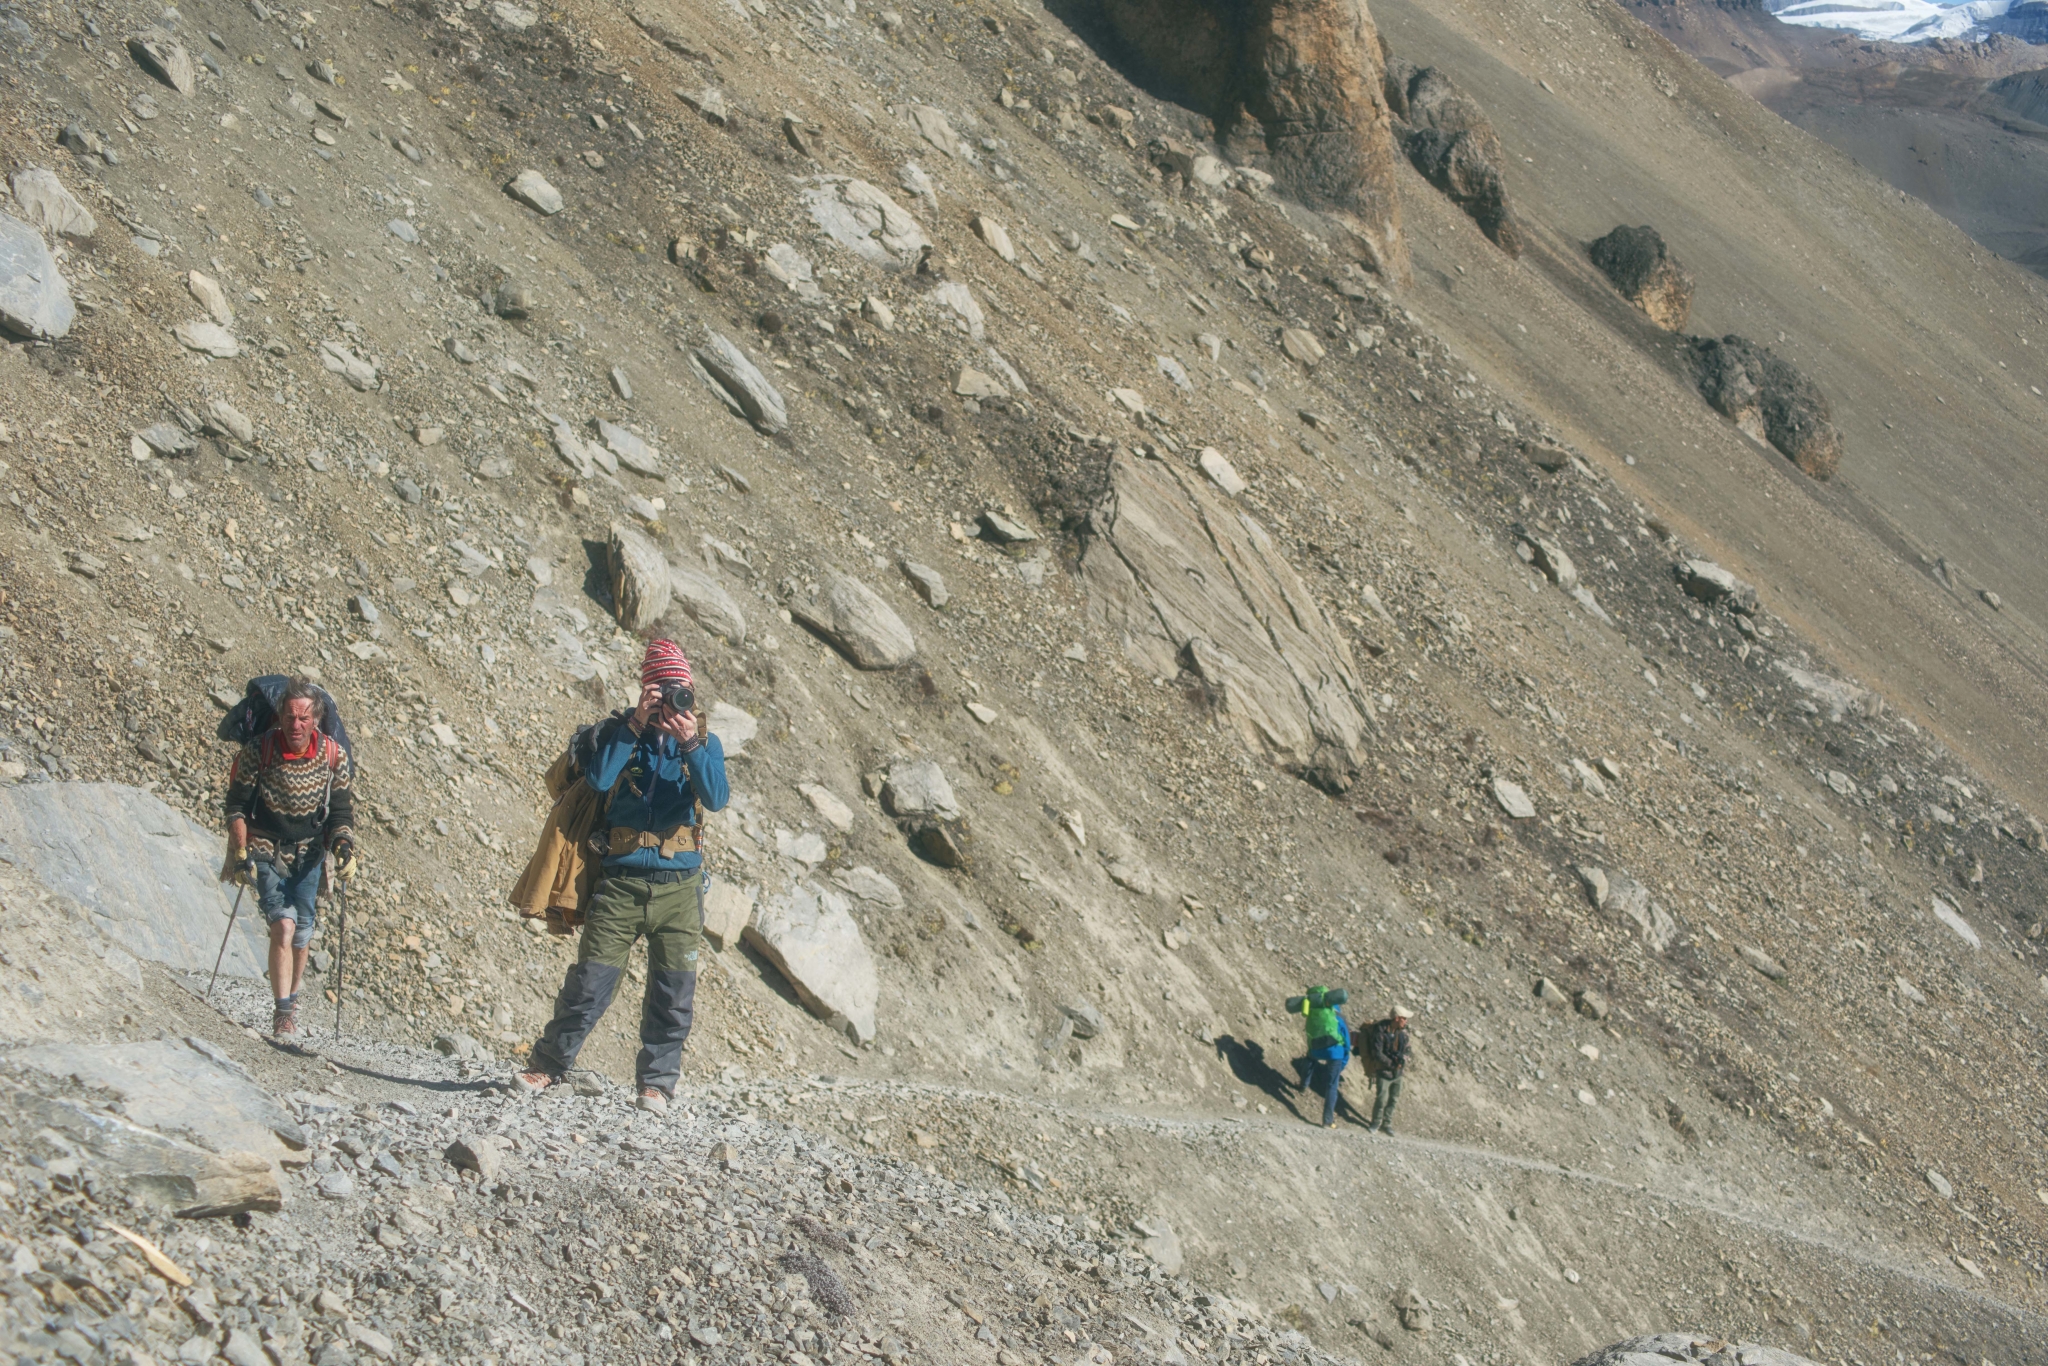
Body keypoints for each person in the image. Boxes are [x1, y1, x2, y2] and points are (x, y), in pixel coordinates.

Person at [516, 640, 729, 1116]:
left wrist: (690, 743)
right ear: (645, 689)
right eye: (662, 689)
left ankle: (656, 1084)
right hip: (621, 884)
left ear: (690, 691)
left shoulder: (704, 742)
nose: (672, 699)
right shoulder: (620, 733)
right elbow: (596, 780)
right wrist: (635, 723)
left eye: (680, 690)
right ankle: (548, 1065)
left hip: (680, 890)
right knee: (589, 982)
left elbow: (715, 798)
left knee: (673, 994)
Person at [222, 675, 357, 1035]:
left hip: (310, 853)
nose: (295, 725)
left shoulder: (333, 755)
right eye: (289, 717)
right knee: (283, 926)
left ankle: (291, 1004)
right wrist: (239, 850)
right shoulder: (259, 751)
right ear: (280, 715)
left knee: (302, 936)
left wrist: (344, 846)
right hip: (266, 848)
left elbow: (341, 811)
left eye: (303, 718)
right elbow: (236, 806)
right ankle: (282, 1012)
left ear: (315, 720)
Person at [1289, 986, 1351, 1128]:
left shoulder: (1313, 1012)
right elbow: (1347, 1040)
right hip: (1335, 1052)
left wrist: (1312, 1048)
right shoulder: (1338, 1016)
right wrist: (1344, 1059)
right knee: (1332, 1085)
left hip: (1316, 1049)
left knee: (1309, 1059)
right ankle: (1327, 1120)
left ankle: (1303, 1085)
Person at [1364, 1005, 1412, 1135]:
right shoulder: (1380, 1031)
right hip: (1384, 1072)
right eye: (1404, 1018)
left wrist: (1403, 1061)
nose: (1406, 1021)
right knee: (1381, 1099)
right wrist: (1391, 1064)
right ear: (1397, 1018)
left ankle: (1387, 1123)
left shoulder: (1403, 1033)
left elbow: (1408, 1050)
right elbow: (1377, 1053)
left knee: (1394, 1099)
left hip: (1398, 1073)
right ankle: (1376, 1122)